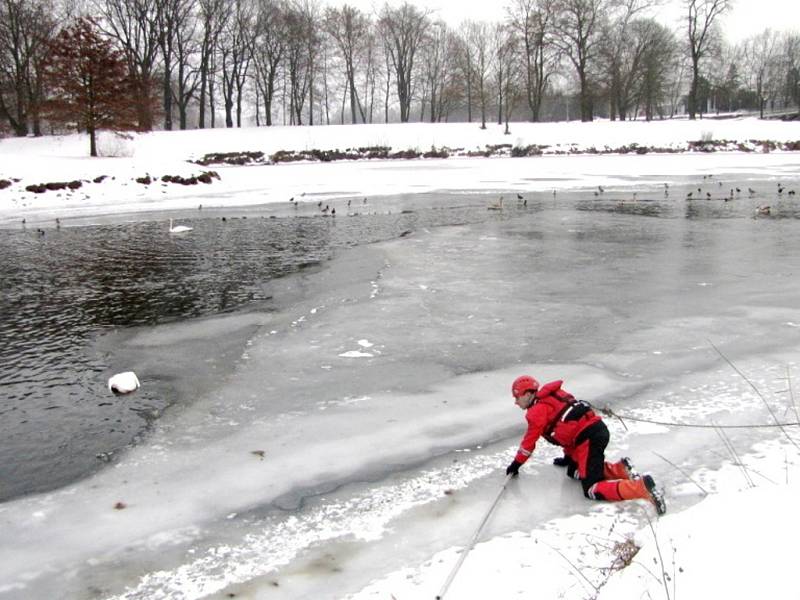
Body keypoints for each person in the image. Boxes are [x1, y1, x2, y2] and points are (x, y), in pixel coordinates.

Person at [506, 375, 666, 515]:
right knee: (573, 471)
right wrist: (568, 457)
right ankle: (621, 468)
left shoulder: (536, 412)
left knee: (591, 488)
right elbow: (566, 426)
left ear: (528, 394)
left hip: (588, 439)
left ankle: (640, 488)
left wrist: (516, 464)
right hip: (594, 431)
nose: (516, 402)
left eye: (517, 397)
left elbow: (528, 443)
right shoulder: (554, 395)